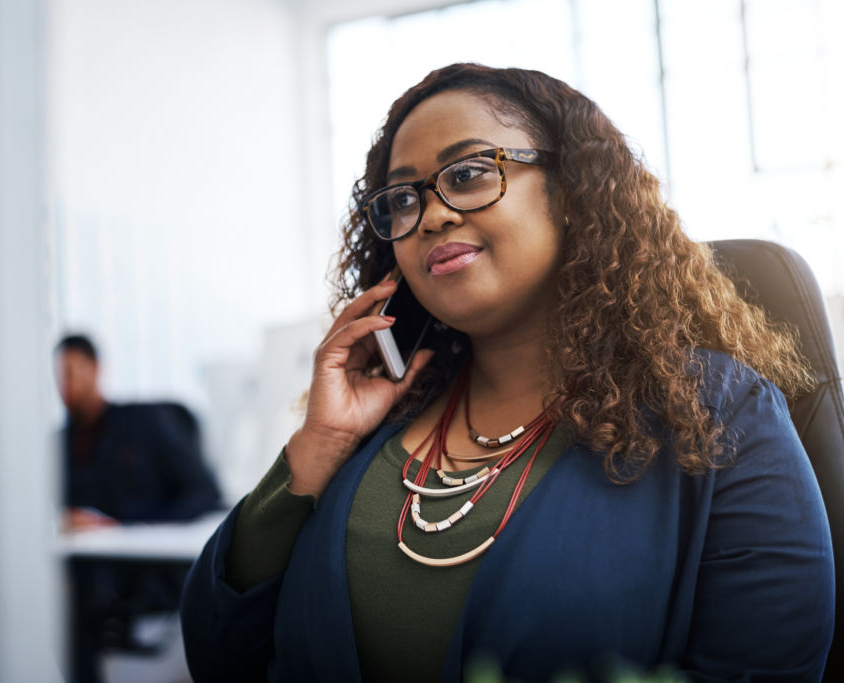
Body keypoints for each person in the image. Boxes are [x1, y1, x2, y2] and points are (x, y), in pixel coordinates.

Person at [179, 64, 834, 682]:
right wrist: (320, 443)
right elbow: (218, 650)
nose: (431, 214)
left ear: (573, 193)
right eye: (402, 198)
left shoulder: (716, 408)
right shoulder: (382, 422)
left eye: (467, 173)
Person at [55, 333, 221, 683]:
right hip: (79, 567)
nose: (63, 386)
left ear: (96, 369)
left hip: (137, 573)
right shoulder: (59, 442)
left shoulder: (146, 424)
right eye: (57, 377)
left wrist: (117, 525)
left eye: (70, 373)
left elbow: (205, 494)